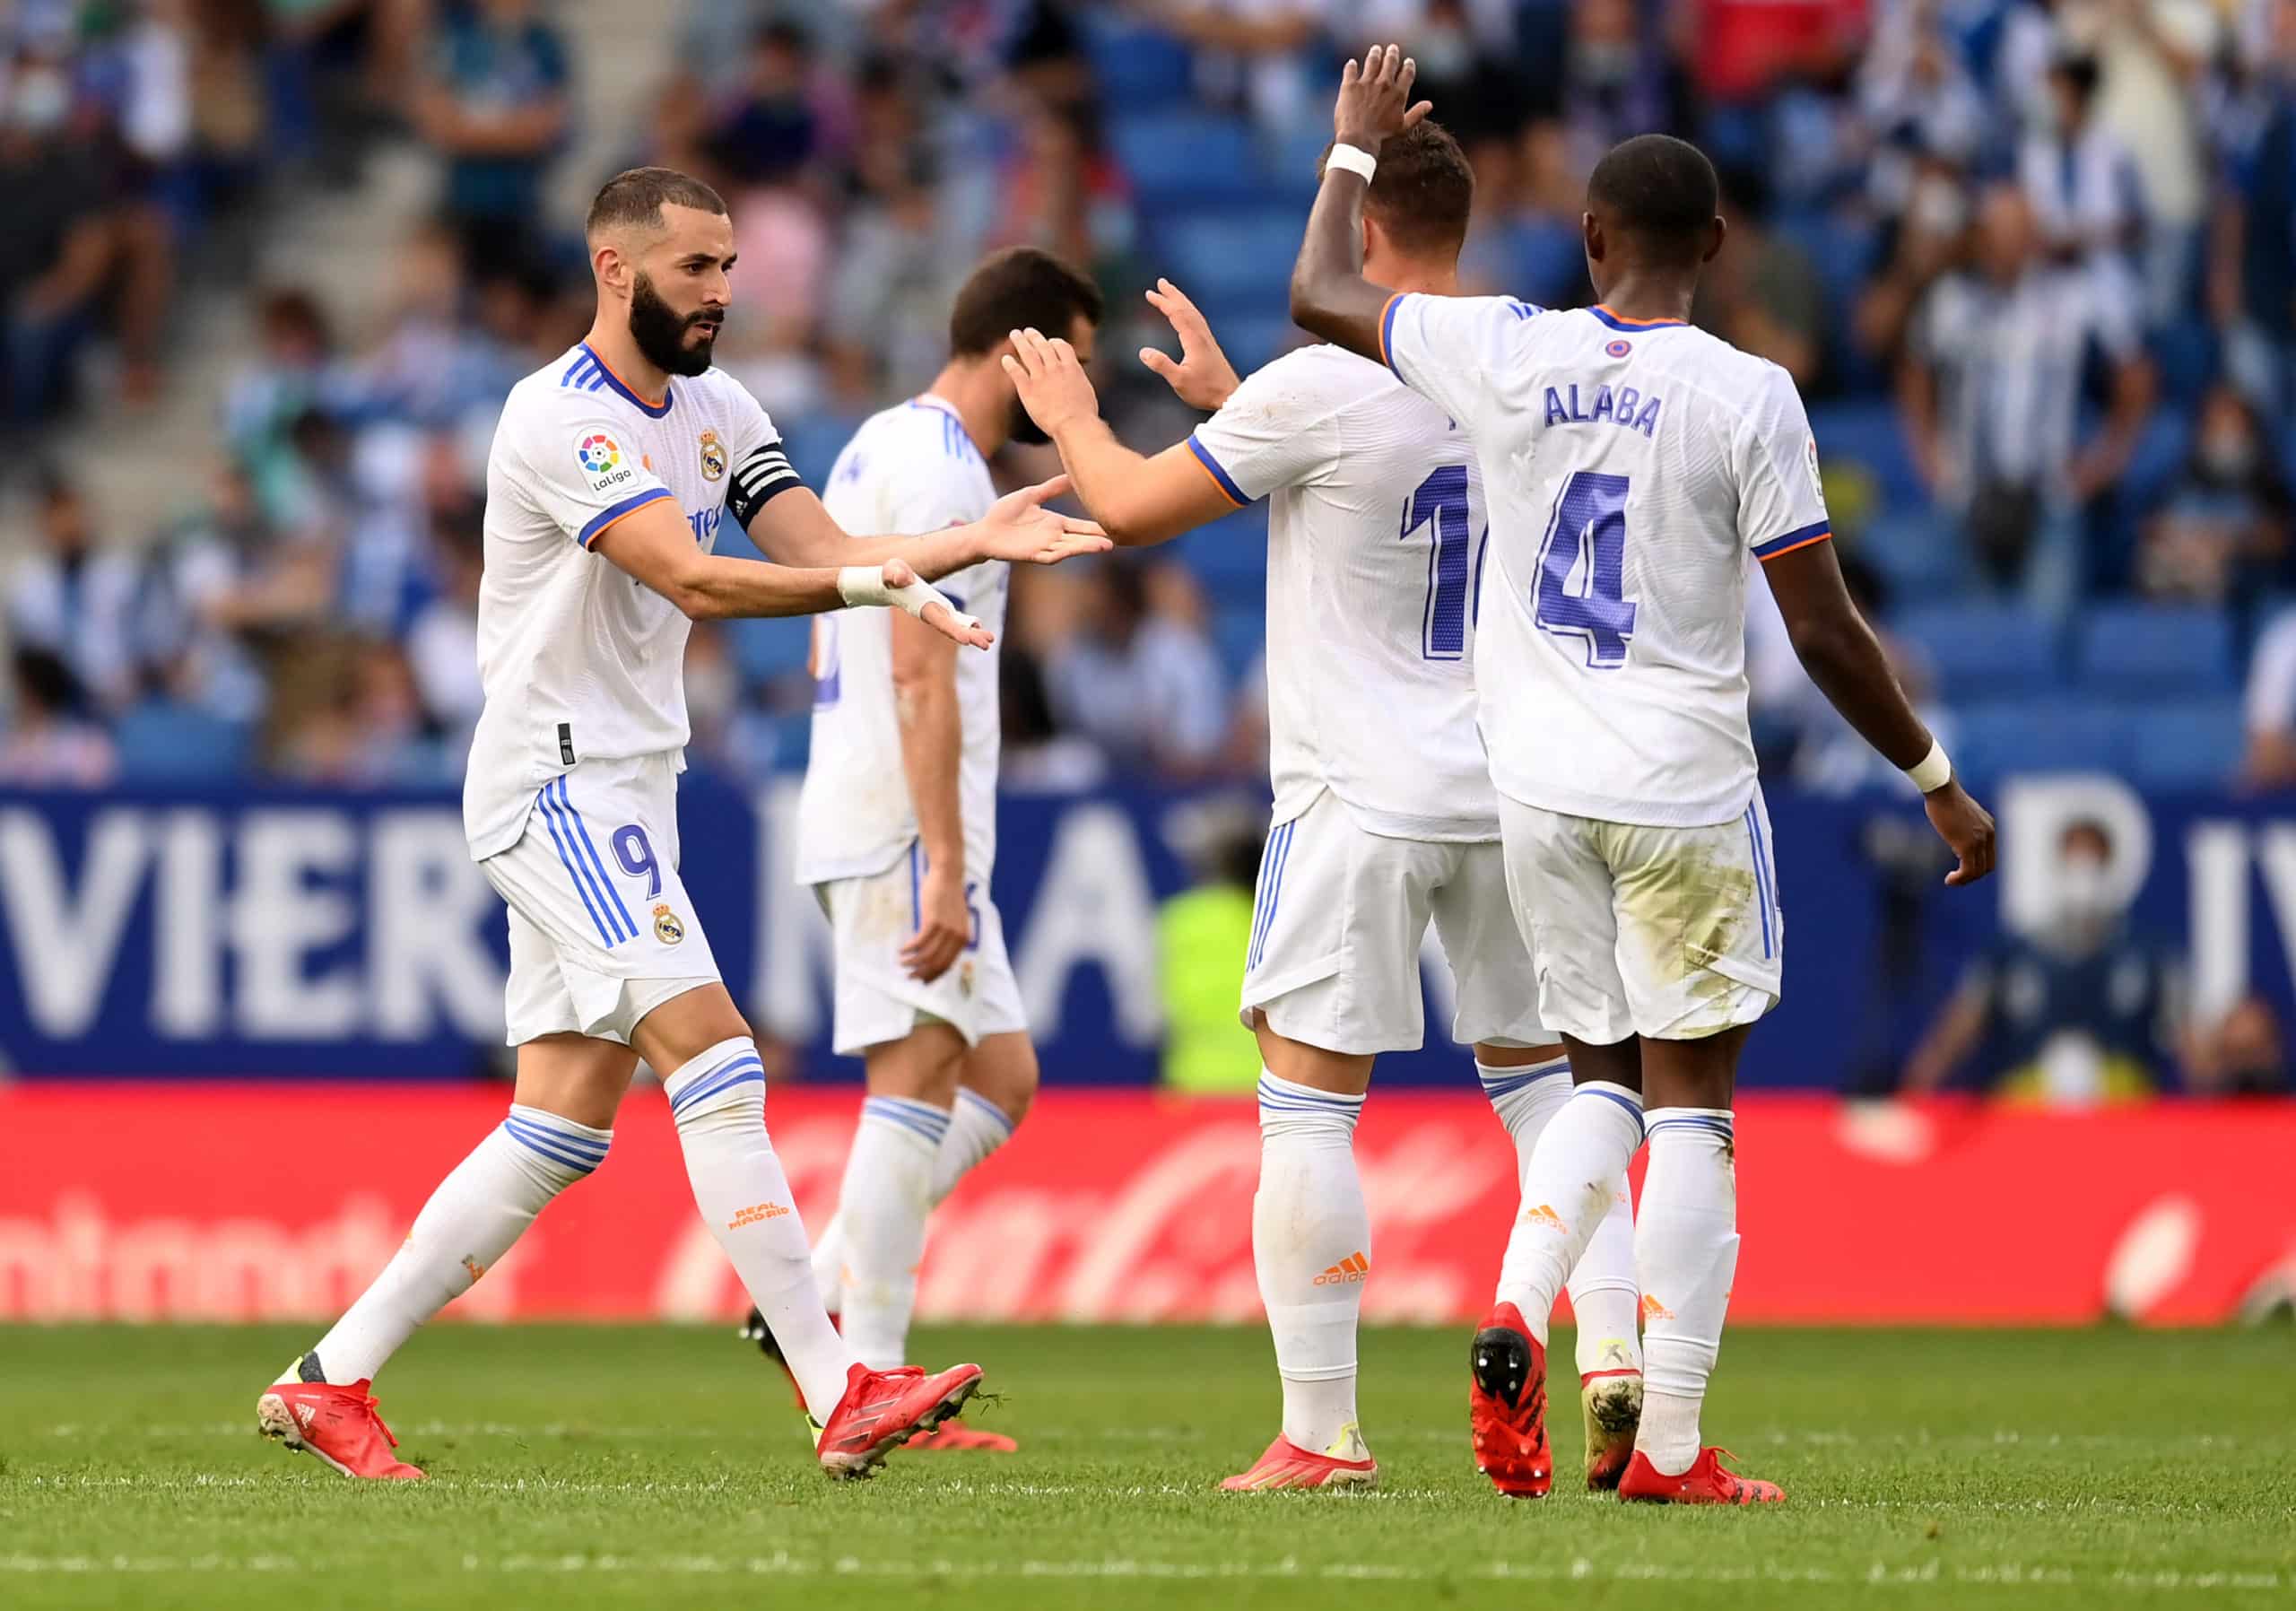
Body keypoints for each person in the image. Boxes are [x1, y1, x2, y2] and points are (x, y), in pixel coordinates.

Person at [254, 166, 1110, 1483]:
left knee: (561, 1126)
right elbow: (698, 576)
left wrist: (947, 548)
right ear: (616, 270)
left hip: (627, 787)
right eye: (697, 269)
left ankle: (332, 1377)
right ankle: (839, 1385)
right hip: (554, 783)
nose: (725, 291)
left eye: (727, 266)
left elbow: (811, 535)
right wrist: (887, 579)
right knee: (715, 1057)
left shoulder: (723, 409)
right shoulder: (560, 419)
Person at [1286, 48, 1996, 1504]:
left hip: (1534, 784)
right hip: (1677, 784)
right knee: (1694, 1108)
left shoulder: (1509, 346)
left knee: (1594, 1079)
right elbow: (1821, 628)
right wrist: (1932, 772)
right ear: (1720, 247)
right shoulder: (1751, 396)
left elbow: (1319, 298)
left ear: (1593, 240)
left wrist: (1351, 151)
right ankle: (1668, 1445)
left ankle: (1513, 1298)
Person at [1000, 119, 1643, 1497]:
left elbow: (1118, 508)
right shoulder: (1528, 358)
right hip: (1515, 787)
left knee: (1307, 1109)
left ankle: (1322, 1433)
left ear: (1359, 235)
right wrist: (1241, 402)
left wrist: (1071, 419)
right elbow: (1361, 465)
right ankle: (1614, 1375)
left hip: (1359, 793)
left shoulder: (1317, 388)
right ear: (1461, 228)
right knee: (1548, 1100)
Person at [739, 247, 1107, 1455]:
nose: (1078, 401)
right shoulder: (943, 467)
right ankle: (869, 1382)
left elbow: (826, 600)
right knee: (918, 1073)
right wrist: (944, 861)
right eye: (1074, 364)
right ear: (1027, 349)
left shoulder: (877, 443)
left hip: (876, 799)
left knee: (1000, 1080)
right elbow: (917, 663)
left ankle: (832, 1271)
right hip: (904, 813)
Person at [1902, 818, 2179, 1103]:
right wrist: (1915, 1088)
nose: (2083, 879)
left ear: (2112, 872)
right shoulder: (2009, 955)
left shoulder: (2148, 954)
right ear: (2057, 870)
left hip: (2120, 1107)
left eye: (2093, 866)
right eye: (2074, 865)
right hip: (2028, 1107)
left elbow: (2190, 1046)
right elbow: (1958, 1030)